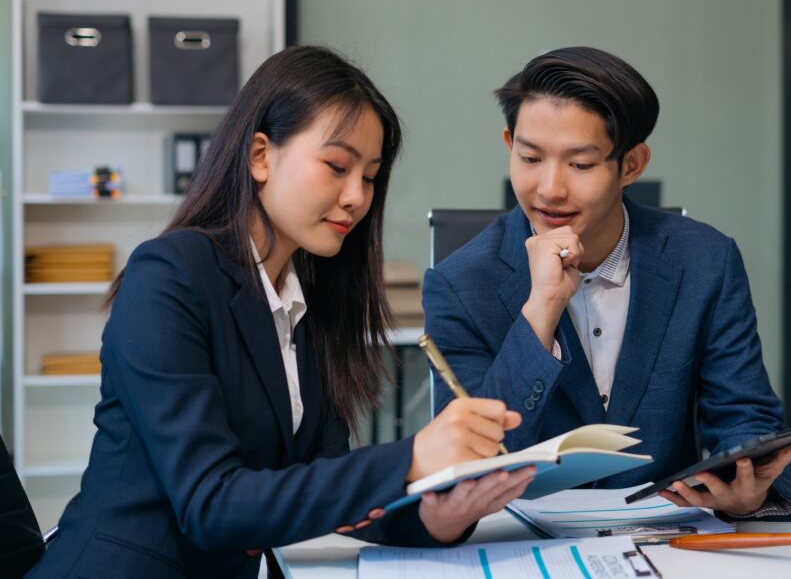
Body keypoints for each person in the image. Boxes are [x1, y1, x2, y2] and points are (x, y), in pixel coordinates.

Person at [28, 46, 534, 579]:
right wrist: (411, 458)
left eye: (369, 177)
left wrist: (437, 514)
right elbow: (211, 504)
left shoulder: (303, 303)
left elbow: (324, 482)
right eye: (337, 167)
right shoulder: (170, 275)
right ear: (260, 156)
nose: (356, 197)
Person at [423, 46, 791, 521]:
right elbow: (473, 459)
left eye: (580, 165)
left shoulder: (704, 260)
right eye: (530, 157)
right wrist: (541, 308)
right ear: (508, 144)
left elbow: (744, 413)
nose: (549, 189)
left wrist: (750, 491)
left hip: (669, 535)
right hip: (513, 543)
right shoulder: (459, 284)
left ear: (632, 164)